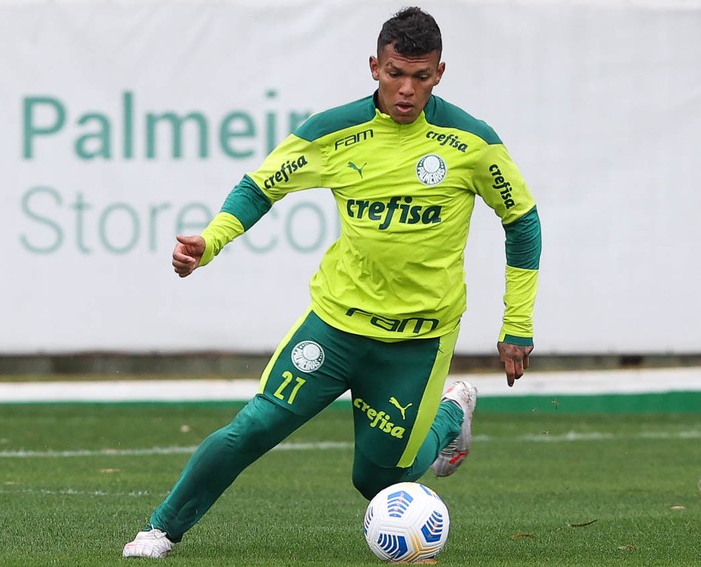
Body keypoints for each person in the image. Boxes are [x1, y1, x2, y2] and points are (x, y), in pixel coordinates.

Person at [123, 6, 540, 559]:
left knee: (379, 486)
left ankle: (448, 413)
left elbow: (522, 222)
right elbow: (258, 187)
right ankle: (160, 530)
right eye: (396, 73)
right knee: (252, 428)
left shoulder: (472, 143)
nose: (407, 89)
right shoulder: (333, 132)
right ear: (374, 67)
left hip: (417, 342)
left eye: (421, 76)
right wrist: (211, 241)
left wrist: (516, 324)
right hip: (336, 326)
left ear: (440, 73)